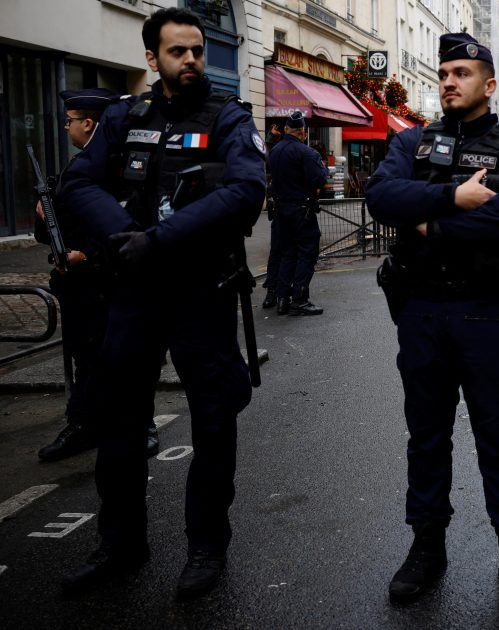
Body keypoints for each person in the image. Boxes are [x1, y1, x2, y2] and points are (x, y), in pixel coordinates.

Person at [57, 7, 266, 600]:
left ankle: (206, 547)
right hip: (132, 293)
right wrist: (126, 235)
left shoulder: (228, 118)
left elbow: (246, 190)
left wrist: (158, 240)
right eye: (179, 52)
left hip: (200, 293)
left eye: (198, 49)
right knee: (118, 422)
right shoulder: (125, 116)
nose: (193, 60)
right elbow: (79, 183)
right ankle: (120, 544)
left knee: (213, 422)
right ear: (153, 58)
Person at [365, 31, 499, 610]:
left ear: (489, 84)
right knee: (426, 438)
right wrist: (454, 199)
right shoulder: (414, 141)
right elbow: (380, 197)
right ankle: (426, 545)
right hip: (420, 310)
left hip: (488, 311)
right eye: (444, 73)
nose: (448, 80)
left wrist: (429, 221)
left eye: (462, 73)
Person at [34, 88, 160, 463]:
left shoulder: (123, 168)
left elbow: (133, 226)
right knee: (83, 356)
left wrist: (86, 255)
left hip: (113, 282)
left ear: (88, 123)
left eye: (70, 120)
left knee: (128, 359)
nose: (67, 127)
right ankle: (83, 425)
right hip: (77, 286)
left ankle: (143, 425)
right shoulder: (77, 167)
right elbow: (55, 229)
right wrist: (44, 215)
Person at [266, 111, 327, 316]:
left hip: (281, 209)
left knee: (287, 253)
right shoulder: (307, 153)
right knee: (307, 252)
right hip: (301, 210)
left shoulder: (275, 151)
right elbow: (319, 180)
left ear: (285, 130)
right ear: (302, 131)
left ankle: (283, 298)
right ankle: (299, 298)